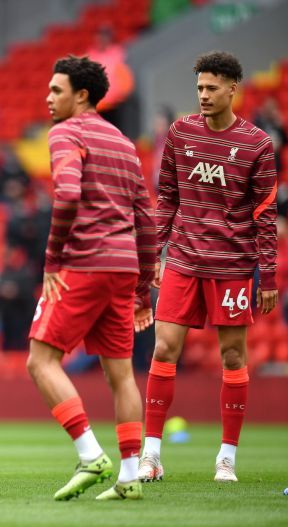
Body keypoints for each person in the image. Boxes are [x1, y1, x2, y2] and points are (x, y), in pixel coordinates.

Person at [138, 51, 278, 484]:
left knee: (233, 356)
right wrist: (153, 258)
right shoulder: (180, 133)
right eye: (199, 87)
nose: (203, 95)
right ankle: (152, 454)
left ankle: (227, 458)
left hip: (234, 266)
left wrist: (268, 276)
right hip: (183, 260)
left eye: (211, 88)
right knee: (164, 349)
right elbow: (167, 202)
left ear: (233, 88)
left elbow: (265, 217)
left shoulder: (258, 144)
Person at [26, 56, 157, 501]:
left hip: (84, 263)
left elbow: (65, 195)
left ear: (81, 95)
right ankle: (129, 476)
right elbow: (146, 217)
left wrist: (51, 262)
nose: (48, 98)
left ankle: (89, 454)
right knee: (121, 375)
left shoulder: (65, 132)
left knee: (40, 361)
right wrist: (142, 290)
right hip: (123, 269)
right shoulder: (123, 142)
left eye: (56, 90)